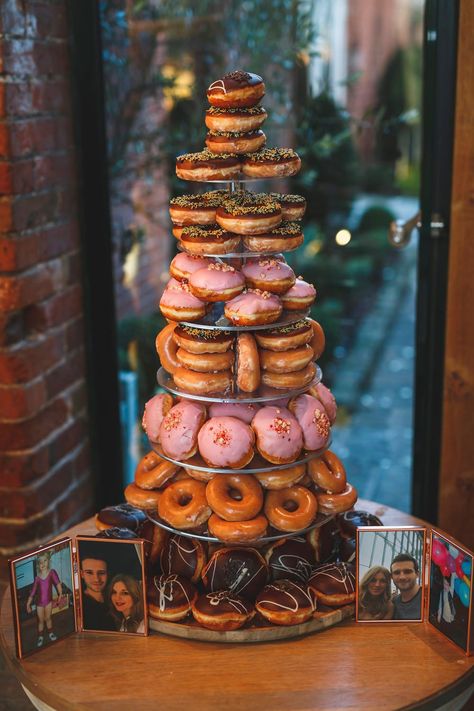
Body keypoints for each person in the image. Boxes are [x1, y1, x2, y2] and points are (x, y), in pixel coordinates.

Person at [26, 551, 63, 647]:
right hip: (39, 604)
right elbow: (33, 592)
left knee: (48, 618)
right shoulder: (37, 578)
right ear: (38, 565)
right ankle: (40, 636)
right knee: (41, 620)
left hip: (48, 602)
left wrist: (60, 594)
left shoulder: (52, 573)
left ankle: (51, 633)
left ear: (48, 561)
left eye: (45, 561)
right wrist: (28, 604)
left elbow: (57, 583)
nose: (43, 563)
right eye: (40, 562)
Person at [80, 548, 115, 631]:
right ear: (82, 574)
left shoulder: (115, 598)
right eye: (89, 572)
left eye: (101, 573)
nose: (96, 579)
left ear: (108, 574)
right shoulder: (81, 607)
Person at [391, 553, 422, 620]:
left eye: (407, 571)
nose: (402, 577)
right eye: (396, 573)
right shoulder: (393, 603)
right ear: (391, 577)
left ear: (417, 574)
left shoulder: (430, 598)